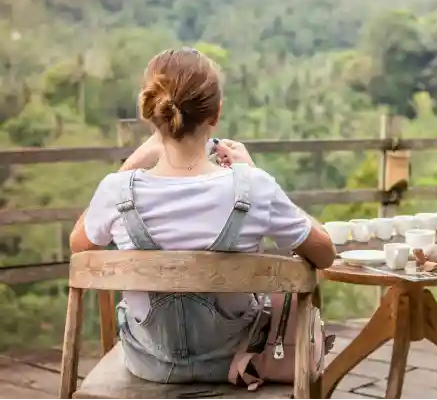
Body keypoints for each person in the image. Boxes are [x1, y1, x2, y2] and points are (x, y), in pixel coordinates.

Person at [68, 48, 337, 384]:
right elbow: (325, 252)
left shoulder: (116, 191)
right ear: (216, 113)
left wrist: (132, 164)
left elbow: (79, 246)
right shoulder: (254, 187)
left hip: (146, 362)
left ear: (152, 113)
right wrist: (254, 173)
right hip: (235, 358)